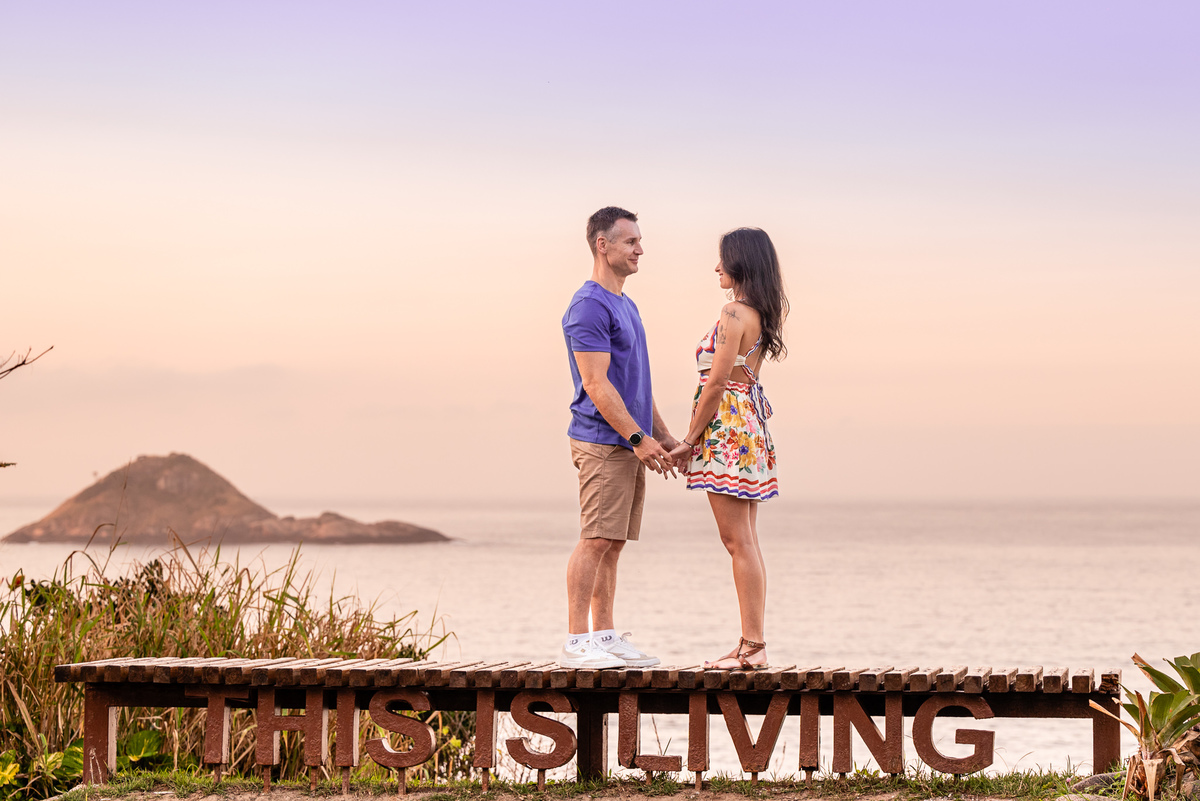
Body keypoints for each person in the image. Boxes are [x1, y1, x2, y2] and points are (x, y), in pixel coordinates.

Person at [559, 206, 680, 669]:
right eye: (630, 241)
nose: (640, 249)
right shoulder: (588, 305)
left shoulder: (626, 305)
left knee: (613, 541)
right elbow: (596, 383)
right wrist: (636, 438)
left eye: (639, 240)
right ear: (602, 245)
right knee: (595, 538)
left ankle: (605, 636)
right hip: (602, 440)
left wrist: (662, 436)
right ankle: (577, 642)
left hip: (627, 440)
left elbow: (635, 384)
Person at [668, 227, 789, 670]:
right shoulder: (759, 313)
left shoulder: (733, 313)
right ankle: (750, 643)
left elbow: (717, 383)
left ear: (739, 262)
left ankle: (753, 646)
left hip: (727, 428)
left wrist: (688, 441)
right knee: (746, 540)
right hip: (748, 427)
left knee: (736, 540)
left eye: (722, 259)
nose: (716, 267)